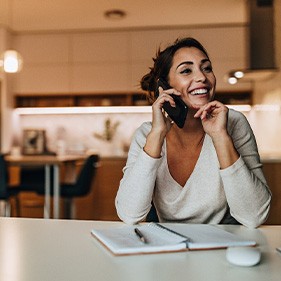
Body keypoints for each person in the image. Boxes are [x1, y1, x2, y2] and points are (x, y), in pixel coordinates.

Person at [115, 37, 271, 228]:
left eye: (206, 68)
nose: (202, 77)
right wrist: (157, 135)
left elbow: (255, 216)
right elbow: (129, 214)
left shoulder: (233, 123)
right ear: (164, 86)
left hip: (220, 246)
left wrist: (220, 136)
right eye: (186, 70)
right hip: (167, 247)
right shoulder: (147, 134)